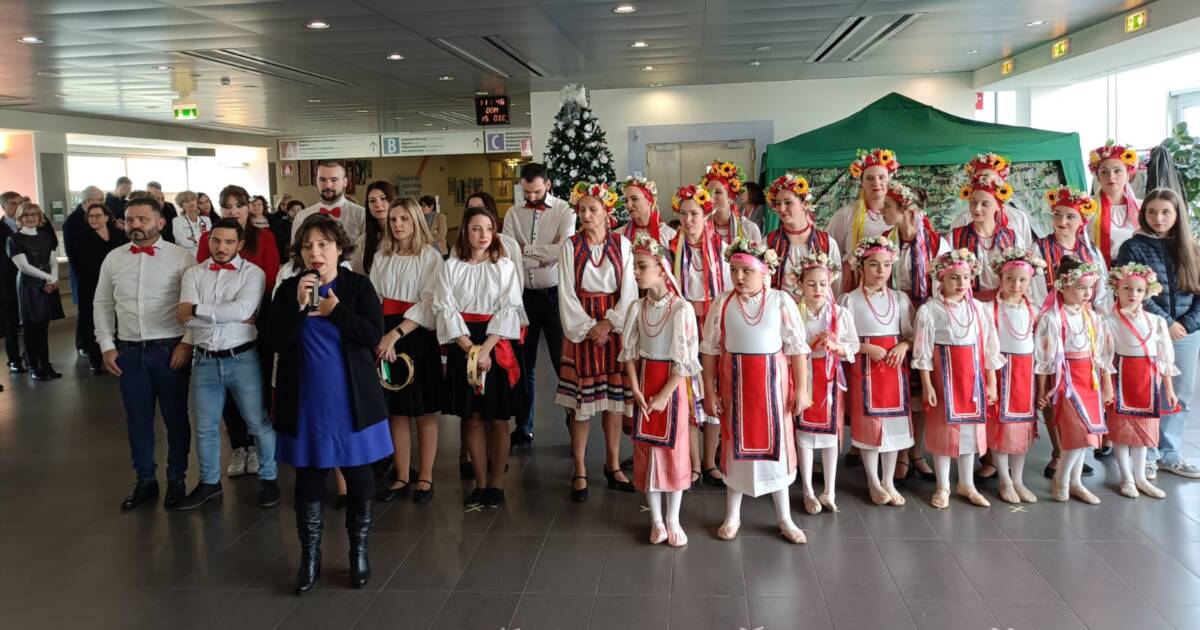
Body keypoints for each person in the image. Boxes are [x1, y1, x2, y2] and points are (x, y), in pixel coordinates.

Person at [268, 214, 391, 594]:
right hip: (306, 400)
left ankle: (358, 552)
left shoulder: (358, 286)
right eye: (307, 246)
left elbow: (372, 335)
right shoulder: (289, 289)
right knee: (308, 477)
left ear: (339, 248)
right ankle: (310, 557)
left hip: (352, 398)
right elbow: (273, 341)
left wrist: (335, 310)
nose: (315, 252)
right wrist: (299, 306)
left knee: (358, 475)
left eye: (323, 244)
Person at [701, 238, 808, 544]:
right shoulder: (722, 303)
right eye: (734, 270)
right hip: (735, 386)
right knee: (735, 450)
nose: (739, 277)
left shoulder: (780, 301)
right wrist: (710, 390)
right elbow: (709, 350)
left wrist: (801, 388)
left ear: (764, 272)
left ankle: (784, 517)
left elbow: (797, 348)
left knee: (778, 453)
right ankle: (732, 515)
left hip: (772, 389)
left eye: (746, 271)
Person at [93, 196, 195, 511]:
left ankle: (176, 478)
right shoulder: (113, 258)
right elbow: (102, 304)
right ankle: (145, 480)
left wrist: (187, 343)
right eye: (130, 219)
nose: (135, 225)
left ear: (160, 223)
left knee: (175, 418)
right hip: (130, 351)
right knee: (137, 419)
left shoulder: (181, 258)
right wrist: (107, 345)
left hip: (169, 349)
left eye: (142, 219)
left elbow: (192, 305)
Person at [175, 218, 280, 510]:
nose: (222, 248)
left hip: (242, 357)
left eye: (229, 242)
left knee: (257, 423)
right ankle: (210, 482)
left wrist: (198, 310)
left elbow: (243, 309)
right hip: (205, 361)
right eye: (216, 241)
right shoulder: (193, 274)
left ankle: (269, 478)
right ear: (208, 241)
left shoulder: (253, 273)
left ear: (240, 244)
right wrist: (223, 313)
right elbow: (185, 317)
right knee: (205, 427)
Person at [435, 205, 525, 508]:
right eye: (476, 228)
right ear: (465, 231)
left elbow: (509, 308)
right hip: (465, 342)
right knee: (472, 418)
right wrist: (469, 349)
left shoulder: (505, 266)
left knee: (498, 419)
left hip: (494, 342)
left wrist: (485, 349)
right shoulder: (451, 266)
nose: (483, 235)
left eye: (488, 229)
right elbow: (445, 308)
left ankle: (497, 483)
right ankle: (480, 482)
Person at [556, 182, 637, 501]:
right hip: (582, 329)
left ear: (606, 211)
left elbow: (629, 290)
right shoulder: (570, 246)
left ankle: (613, 464)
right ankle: (579, 469)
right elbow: (565, 292)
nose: (586, 215)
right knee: (582, 405)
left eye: (593, 209)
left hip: (613, 327)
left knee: (614, 401)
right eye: (582, 209)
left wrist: (610, 323)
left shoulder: (623, 244)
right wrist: (588, 327)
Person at [620, 233, 699, 546]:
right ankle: (655, 520)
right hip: (645, 380)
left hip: (670, 384)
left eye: (641, 266)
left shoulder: (681, 310)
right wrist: (635, 387)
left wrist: (665, 394)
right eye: (634, 267)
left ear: (662, 268)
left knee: (674, 450)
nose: (636, 273)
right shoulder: (637, 308)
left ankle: (673, 518)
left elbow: (686, 360)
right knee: (646, 451)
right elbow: (628, 352)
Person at [1115, 188, 1200, 480]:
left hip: (1187, 332)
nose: (1158, 217)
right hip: (1148, 330)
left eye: (1166, 212)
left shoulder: (1193, 247)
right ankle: (1147, 453)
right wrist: (1166, 322)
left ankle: (1170, 453)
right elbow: (1134, 292)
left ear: (1178, 215)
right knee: (1149, 391)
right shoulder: (1132, 247)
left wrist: (1187, 324)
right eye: (1152, 211)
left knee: (1180, 394)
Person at [912, 250, 1004, 509]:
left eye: (965, 277)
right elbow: (923, 352)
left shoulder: (979, 309)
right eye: (954, 278)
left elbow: (989, 348)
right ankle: (943, 485)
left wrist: (992, 382)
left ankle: (967, 483)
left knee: (969, 434)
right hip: (945, 378)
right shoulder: (930, 310)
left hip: (972, 380)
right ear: (941, 279)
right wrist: (928, 384)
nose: (961, 283)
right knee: (943, 432)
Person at [370, 197, 444, 504]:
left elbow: (429, 302)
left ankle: (425, 474)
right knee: (396, 411)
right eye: (393, 220)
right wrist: (382, 336)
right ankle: (402, 474)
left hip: (415, 334)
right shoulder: (382, 256)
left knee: (423, 410)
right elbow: (374, 296)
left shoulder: (430, 256)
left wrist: (397, 333)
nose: (398, 225)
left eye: (404, 219)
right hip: (386, 336)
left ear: (416, 221)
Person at [1033, 187, 1110, 478]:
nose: (1062, 222)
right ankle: (1058, 450)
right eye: (1057, 215)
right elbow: (1036, 291)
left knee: (1081, 387)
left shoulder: (1090, 252)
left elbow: (1100, 292)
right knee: (1055, 388)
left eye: (1069, 217)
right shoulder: (1039, 248)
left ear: (1082, 221)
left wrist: (1096, 319)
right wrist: (1048, 319)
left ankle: (1075, 448)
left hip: (1082, 325)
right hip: (1052, 324)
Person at [502, 163, 574, 447]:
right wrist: (545, 253)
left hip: (555, 295)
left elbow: (564, 249)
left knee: (562, 364)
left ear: (548, 184)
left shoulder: (564, 210)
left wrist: (527, 251)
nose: (531, 197)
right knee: (524, 363)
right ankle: (524, 426)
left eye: (536, 191)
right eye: (526, 191)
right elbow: (508, 252)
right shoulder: (512, 213)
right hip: (523, 296)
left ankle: (574, 424)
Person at [840, 236, 915, 506]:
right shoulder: (850, 300)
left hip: (894, 371)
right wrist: (865, 349)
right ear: (862, 266)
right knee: (870, 427)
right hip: (866, 370)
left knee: (893, 427)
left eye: (885, 265)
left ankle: (888, 481)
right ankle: (873, 481)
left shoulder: (900, 299)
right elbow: (843, 340)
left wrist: (903, 347)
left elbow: (910, 334)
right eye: (873, 264)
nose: (880, 270)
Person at [881, 181, 948, 482]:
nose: (882, 211)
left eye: (887, 207)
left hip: (927, 317)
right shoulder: (885, 241)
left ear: (906, 209)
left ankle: (916, 452)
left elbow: (945, 284)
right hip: (893, 317)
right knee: (900, 387)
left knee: (921, 387)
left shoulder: (935, 244)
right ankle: (901, 453)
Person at [1034, 256, 1112, 504]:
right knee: (1077, 435)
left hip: (1089, 380)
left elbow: (1101, 355)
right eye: (1081, 287)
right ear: (1063, 286)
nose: (1087, 293)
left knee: (1088, 435)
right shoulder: (1052, 318)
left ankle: (1075, 481)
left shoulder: (1092, 318)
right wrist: (1043, 389)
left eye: (1090, 287)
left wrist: (1107, 384)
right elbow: (1044, 359)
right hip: (1066, 381)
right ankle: (1062, 477)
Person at [668, 185, 729, 488]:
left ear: (708, 215)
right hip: (684, 325)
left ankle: (710, 461)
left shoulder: (721, 247)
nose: (689, 220)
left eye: (695, 213)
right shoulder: (670, 247)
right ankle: (692, 464)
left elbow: (730, 289)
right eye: (684, 214)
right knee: (689, 391)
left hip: (714, 323)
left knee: (714, 389)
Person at [1102, 262, 1178, 499]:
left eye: (1138, 290)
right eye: (1127, 289)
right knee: (1122, 432)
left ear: (1147, 293)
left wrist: (1169, 387)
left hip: (1149, 382)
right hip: (1123, 380)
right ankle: (1126, 478)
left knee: (1144, 432)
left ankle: (1141, 477)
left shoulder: (1156, 322)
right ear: (1117, 289)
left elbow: (1164, 356)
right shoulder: (1108, 321)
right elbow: (1104, 357)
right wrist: (1106, 385)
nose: (1133, 294)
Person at [794, 251, 858, 514]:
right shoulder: (794, 311)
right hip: (804, 376)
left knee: (831, 436)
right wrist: (810, 346)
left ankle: (829, 490)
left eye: (822, 283)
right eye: (811, 284)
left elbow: (853, 345)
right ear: (800, 285)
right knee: (805, 435)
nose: (817, 289)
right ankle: (808, 489)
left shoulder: (840, 313)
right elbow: (788, 346)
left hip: (830, 379)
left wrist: (836, 346)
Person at [985, 247, 1046, 504]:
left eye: (1022, 280)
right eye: (1010, 278)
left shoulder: (1034, 310)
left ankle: (1018, 479)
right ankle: (1004, 480)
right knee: (1001, 427)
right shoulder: (989, 308)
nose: (1015, 284)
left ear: (1030, 281)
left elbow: (1042, 347)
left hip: (1025, 373)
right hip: (1001, 371)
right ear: (1001, 277)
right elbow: (987, 344)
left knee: (1022, 427)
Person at [6, 202, 65, 380]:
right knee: (31, 330)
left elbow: (52, 259)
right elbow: (23, 266)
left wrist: (54, 278)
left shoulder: (46, 235)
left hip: (47, 283)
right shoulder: (14, 239)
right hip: (29, 286)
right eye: (26, 215)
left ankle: (46, 366)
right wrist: (49, 278)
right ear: (20, 218)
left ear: (40, 217)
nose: (30, 218)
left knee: (43, 328)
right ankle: (34, 368)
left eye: (34, 214)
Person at [828, 148, 899, 292]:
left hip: (893, 288)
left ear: (889, 179)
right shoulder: (845, 215)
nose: (876, 183)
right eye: (869, 178)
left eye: (881, 177)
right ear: (861, 181)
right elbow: (831, 257)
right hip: (854, 288)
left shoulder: (899, 215)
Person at [951, 173, 1029, 302]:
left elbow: (1022, 273)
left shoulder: (1013, 237)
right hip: (968, 303)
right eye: (973, 202)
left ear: (998, 206)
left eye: (985, 204)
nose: (977, 208)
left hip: (1004, 303)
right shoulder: (955, 236)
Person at [764, 174, 841, 301]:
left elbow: (837, 287)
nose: (782, 209)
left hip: (818, 315)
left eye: (788, 202)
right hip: (783, 315)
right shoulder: (769, 242)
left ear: (804, 204)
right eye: (778, 203)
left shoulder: (826, 242)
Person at [949, 153, 1036, 242]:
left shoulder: (1018, 217)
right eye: (980, 178)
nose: (985, 183)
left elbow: (1025, 250)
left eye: (985, 203)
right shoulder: (963, 218)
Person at [63, 185, 105, 350]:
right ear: (87, 201)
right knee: (86, 309)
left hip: (101, 271)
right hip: (84, 273)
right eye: (100, 200)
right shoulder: (73, 221)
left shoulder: (103, 216)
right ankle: (84, 344)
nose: (102, 202)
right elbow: (71, 251)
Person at [1089, 141, 1142, 263]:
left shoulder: (1143, 207)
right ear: (1097, 177)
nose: (1111, 177)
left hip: (1139, 272)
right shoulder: (1087, 208)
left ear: (1128, 174)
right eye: (1104, 172)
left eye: (1117, 171)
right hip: (1101, 271)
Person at [292, 161, 367, 244]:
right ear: (317, 181)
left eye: (334, 180)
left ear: (345, 182)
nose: (327, 185)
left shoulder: (362, 215)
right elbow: (295, 254)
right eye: (322, 180)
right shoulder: (301, 217)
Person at [701, 161, 761, 245]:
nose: (711, 197)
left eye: (718, 192)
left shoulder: (749, 229)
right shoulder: (701, 228)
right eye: (708, 192)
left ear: (731, 198)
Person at [0, 191, 27, 373]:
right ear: (4, 206)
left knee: (31, 322)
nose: (17, 206)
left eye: (20, 202)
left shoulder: (27, 226)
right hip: (7, 282)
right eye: (12, 203)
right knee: (11, 324)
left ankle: (30, 356)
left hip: (28, 282)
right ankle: (14, 359)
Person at [617, 175, 676, 248]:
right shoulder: (619, 235)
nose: (629, 205)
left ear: (650, 200)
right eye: (626, 200)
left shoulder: (669, 235)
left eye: (634, 199)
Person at [354, 181, 394, 274]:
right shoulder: (362, 241)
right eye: (372, 201)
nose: (378, 204)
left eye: (383, 198)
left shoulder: (404, 237)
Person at [171, 191, 211, 257]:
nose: (190, 203)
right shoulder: (177, 221)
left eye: (192, 199)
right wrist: (201, 241)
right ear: (181, 205)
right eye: (186, 201)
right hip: (187, 256)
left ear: (196, 201)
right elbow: (182, 242)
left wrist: (193, 240)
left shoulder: (206, 219)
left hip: (205, 256)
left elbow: (209, 239)